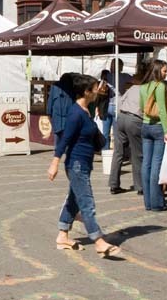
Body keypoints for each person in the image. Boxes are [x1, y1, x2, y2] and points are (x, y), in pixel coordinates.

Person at [48, 74, 122, 259]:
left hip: (83, 164)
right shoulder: (75, 114)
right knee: (87, 203)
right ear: (86, 92)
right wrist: (55, 162)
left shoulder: (86, 110)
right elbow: (65, 139)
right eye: (95, 88)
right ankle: (98, 241)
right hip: (76, 165)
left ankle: (62, 235)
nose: (98, 90)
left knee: (74, 200)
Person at [109, 64, 144, 195]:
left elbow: (120, 102)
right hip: (133, 119)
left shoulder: (131, 89)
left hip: (121, 117)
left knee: (118, 152)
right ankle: (140, 187)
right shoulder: (144, 90)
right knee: (136, 154)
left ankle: (113, 184)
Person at [140, 59, 167, 211]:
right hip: (158, 127)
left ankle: (148, 202)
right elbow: (163, 111)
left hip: (145, 126)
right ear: (157, 70)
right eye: (165, 70)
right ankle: (157, 203)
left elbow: (141, 107)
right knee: (156, 165)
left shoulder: (143, 87)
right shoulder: (161, 86)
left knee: (146, 164)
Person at [47, 73, 76, 144]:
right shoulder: (71, 87)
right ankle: (64, 148)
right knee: (66, 133)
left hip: (57, 114)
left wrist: (49, 112)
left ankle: (58, 149)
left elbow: (50, 100)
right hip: (68, 114)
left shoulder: (55, 86)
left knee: (57, 133)